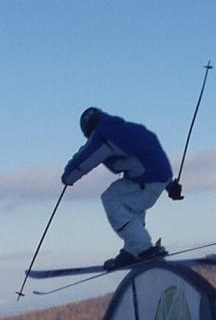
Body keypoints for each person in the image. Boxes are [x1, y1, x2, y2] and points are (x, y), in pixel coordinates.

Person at [61, 107, 173, 270]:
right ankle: (132, 249)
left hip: (146, 179)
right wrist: (169, 185)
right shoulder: (126, 129)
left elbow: (86, 156)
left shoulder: (104, 134)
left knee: (111, 198)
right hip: (154, 179)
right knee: (128, 204)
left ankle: (144, 249)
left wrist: (69, 176)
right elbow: (153, 156)